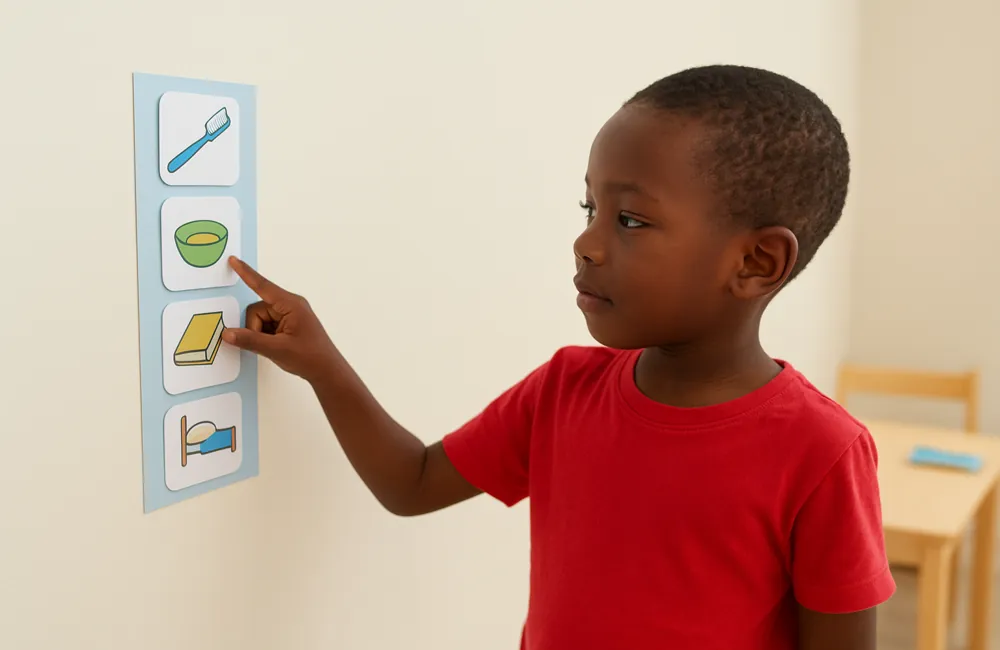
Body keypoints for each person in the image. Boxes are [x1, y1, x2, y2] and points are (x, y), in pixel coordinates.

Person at [221, 64, 895, 650]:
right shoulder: (564, 391)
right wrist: (321, 361)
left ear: (756, 261)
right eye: (589, 206)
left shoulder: (821, 451)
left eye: (630, 220)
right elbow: (413, 483)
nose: (587, 242)